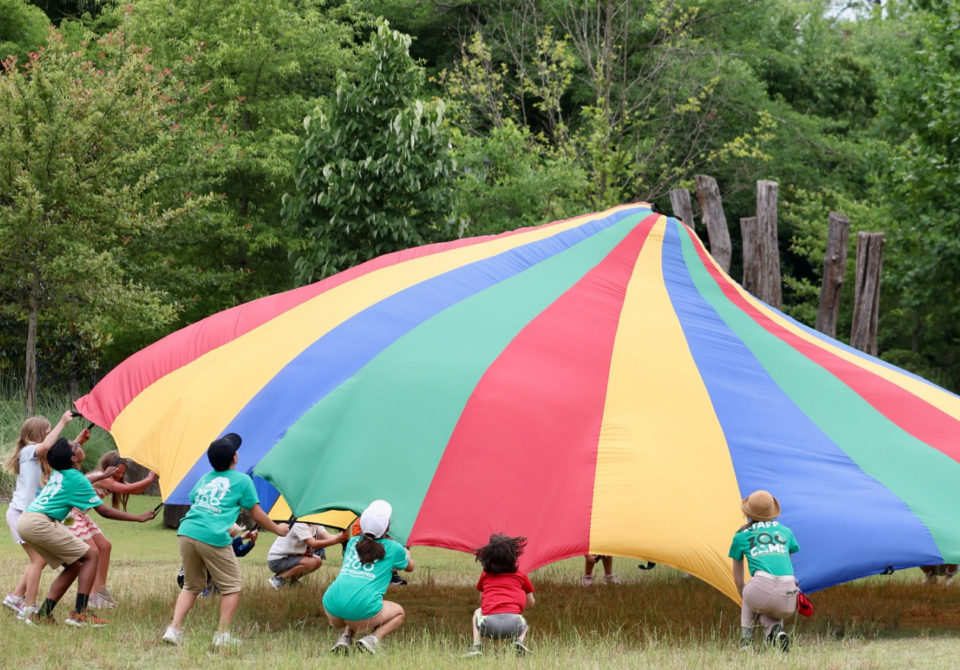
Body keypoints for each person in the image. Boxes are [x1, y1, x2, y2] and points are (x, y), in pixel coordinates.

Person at [161, 433, 290, 648]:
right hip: (211, 535)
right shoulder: (242, 480)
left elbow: (197, 500)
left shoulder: (205, 477)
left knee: (192, 585)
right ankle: (222, 636)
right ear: (235, 458)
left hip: (187, 531)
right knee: (231, 586)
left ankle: (174, 629)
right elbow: (257, 514)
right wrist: (279, 529)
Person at [16, 437, 155, 626]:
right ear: (73, 458)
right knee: (91, 555)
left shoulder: (61, 471)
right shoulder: (78, 480)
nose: (79, 445)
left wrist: (102, 474)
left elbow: (84, 478)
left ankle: (43, 615)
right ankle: (80, 613)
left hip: (26, 521)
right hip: (41, 523)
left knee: (75, 567)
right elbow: (104, 511)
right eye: (76, 446)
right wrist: (138, 517)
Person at [3, 411, 83, 617]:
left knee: (40, 560)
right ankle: (28, 607)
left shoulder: (38, 457)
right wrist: (63, 422)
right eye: (48, 432)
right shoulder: (28, 451)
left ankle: (16, 597)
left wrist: (76, 442)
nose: (51, 435)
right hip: (21, 514)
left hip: (28, 515)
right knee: (38, 561)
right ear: (37, 434)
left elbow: (54, 452)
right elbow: (47, 445)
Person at [65, 449, 159, 608]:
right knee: (92, 552)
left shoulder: (112, 480)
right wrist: (149, 478)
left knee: (105, 546)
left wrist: (153, 477)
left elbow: (136, 489)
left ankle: (100, 590)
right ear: (108, 467)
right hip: (69, 516)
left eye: (122, 474)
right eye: (117, 473)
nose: (119, 477)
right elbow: (127, 490)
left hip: (80, 515)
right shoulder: (102, 477)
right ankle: (92, 595)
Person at [322, 500, 414, 655]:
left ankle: (345, 638)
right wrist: (406, 551)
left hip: (331, 607)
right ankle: (371, 639)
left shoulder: (352, 542)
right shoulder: (393, 548)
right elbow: (410, 567)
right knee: (399, 613)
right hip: (361, 610)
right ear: (387, 527)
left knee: (356, 590)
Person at [729, 490, 800, 653]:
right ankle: (776, 633)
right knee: (767, 603)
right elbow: (784, 565)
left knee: (749, 592)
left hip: (761, 587)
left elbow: (738, 581)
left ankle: (746, 639)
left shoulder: (741, 536)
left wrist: (747, 599)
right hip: (790, 594)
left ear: (748, 512)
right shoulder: (786, 532)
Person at [463, 533, 535, 657]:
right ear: (513, 556)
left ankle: (476, 645)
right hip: (514, 624)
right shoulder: (521, 575)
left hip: (488, 626)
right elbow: (531, 603)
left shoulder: (485, 575)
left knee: (477, 613)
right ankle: (519, 641)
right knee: (524, 622)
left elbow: (481, 599)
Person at [177, 524, 259, 597]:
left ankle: (207, 590)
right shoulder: (209, 544)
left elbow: (239, 551)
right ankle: (200, 591)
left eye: (233, 537)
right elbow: (226, 546)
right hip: (189, 578)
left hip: (204, 578)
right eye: (230, 536)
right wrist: (241, 538)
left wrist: (251, 542)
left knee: (223, 590)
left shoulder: (223, 546)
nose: (230, 540)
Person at [267, 522, 347, 589]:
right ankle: (278, 579)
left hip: (290, 557)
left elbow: (328, 537)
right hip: (277, 560)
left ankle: (291, 581)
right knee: (310, 563)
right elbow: (313, 544)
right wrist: (336, 540)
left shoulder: (315, 523)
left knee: (318, 561)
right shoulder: (299, 524)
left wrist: (340, 537)